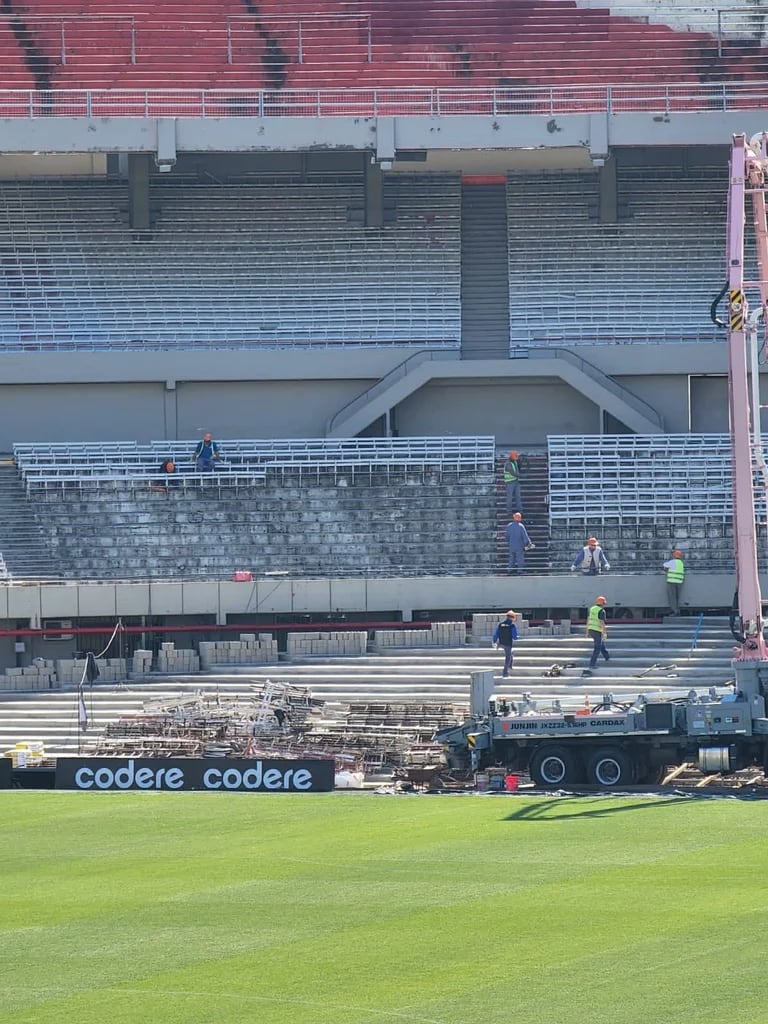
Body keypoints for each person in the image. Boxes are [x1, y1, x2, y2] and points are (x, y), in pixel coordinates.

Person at [492, 610, 518, 678]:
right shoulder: (512, 625)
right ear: (512, 618)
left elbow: (496, 634)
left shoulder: (500, 624)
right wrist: (516, 637)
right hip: (508, 644)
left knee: (511, 653)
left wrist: (494, 641)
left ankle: (510, 665)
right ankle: (505, 673)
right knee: (508, 658)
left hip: (501, 643)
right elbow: (514, 637)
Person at [586, 596, 610, 669]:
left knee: (600, 643)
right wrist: (604, 632)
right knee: (597, 648)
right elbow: (602, 622)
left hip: (591, 629)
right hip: (597, 630)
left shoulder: (592, 609)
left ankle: (607, 656)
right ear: (603, 603)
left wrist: (587, 631)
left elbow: (588, 619)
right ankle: (592, 664)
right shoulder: (601, 611)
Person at [663, 549, 685, 614]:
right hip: (679, 582)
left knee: (672, 598)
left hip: (671, 582)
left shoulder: (673, 562)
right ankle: (677, 611)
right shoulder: (681, 563)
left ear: (674, 556)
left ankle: (674, 611)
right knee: (677, 598)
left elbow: (664, 565)